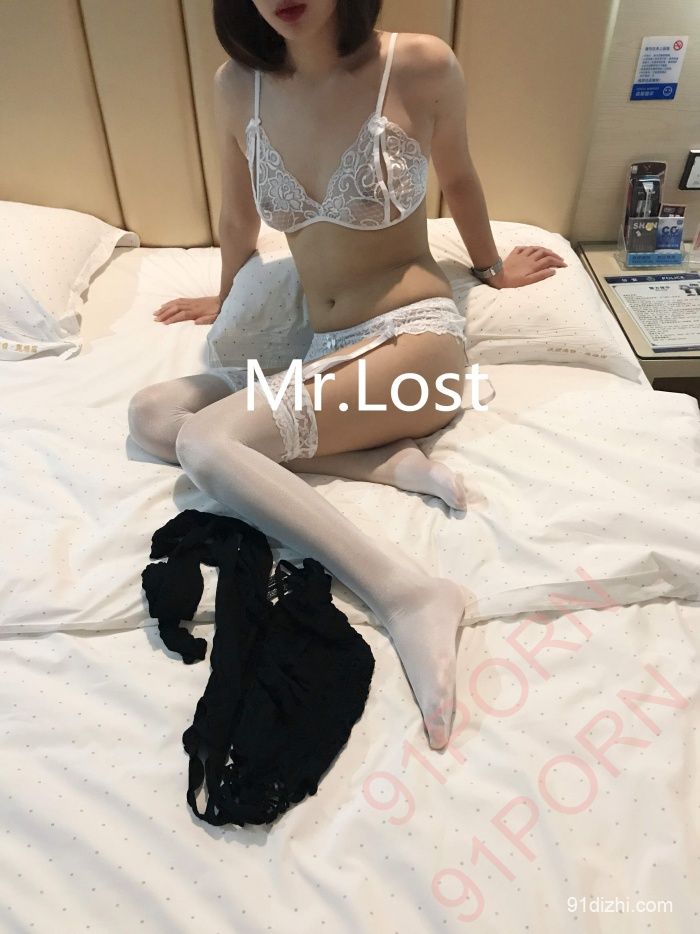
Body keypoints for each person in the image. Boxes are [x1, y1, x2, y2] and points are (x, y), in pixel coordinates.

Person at [128, 0, 567, 750]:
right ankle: (381, 462)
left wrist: (492, 268)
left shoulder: (418, 63)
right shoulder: (238, 85)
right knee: (151, 414)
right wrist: (227, 300)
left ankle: (410, 594)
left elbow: (459, 177)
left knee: (205, 442)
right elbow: (237, 219)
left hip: (416, 349)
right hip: (327, 350)